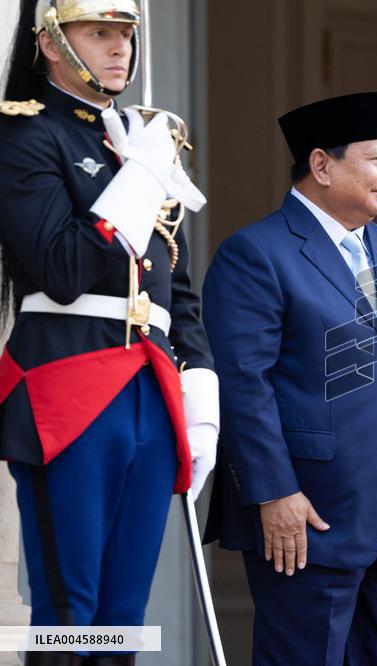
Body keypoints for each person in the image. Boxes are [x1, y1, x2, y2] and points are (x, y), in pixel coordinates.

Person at [202, 91, 377, 665]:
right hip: (306, 518)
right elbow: (245, 385)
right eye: (376, 159)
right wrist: (274, 491)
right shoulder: (256, 253)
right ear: (321, 165)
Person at [0, 1, 218, 664]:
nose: (120, 49)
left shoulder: (131, 139)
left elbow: (172, 281)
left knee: (123, 619)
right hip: (68, 389)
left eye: (126, 35)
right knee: (71, 617)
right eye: (99, 34)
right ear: (50, 43)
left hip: (149, 388)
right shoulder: (26, 135)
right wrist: (139, 180)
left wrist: (201, 385)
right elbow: (62, 268)